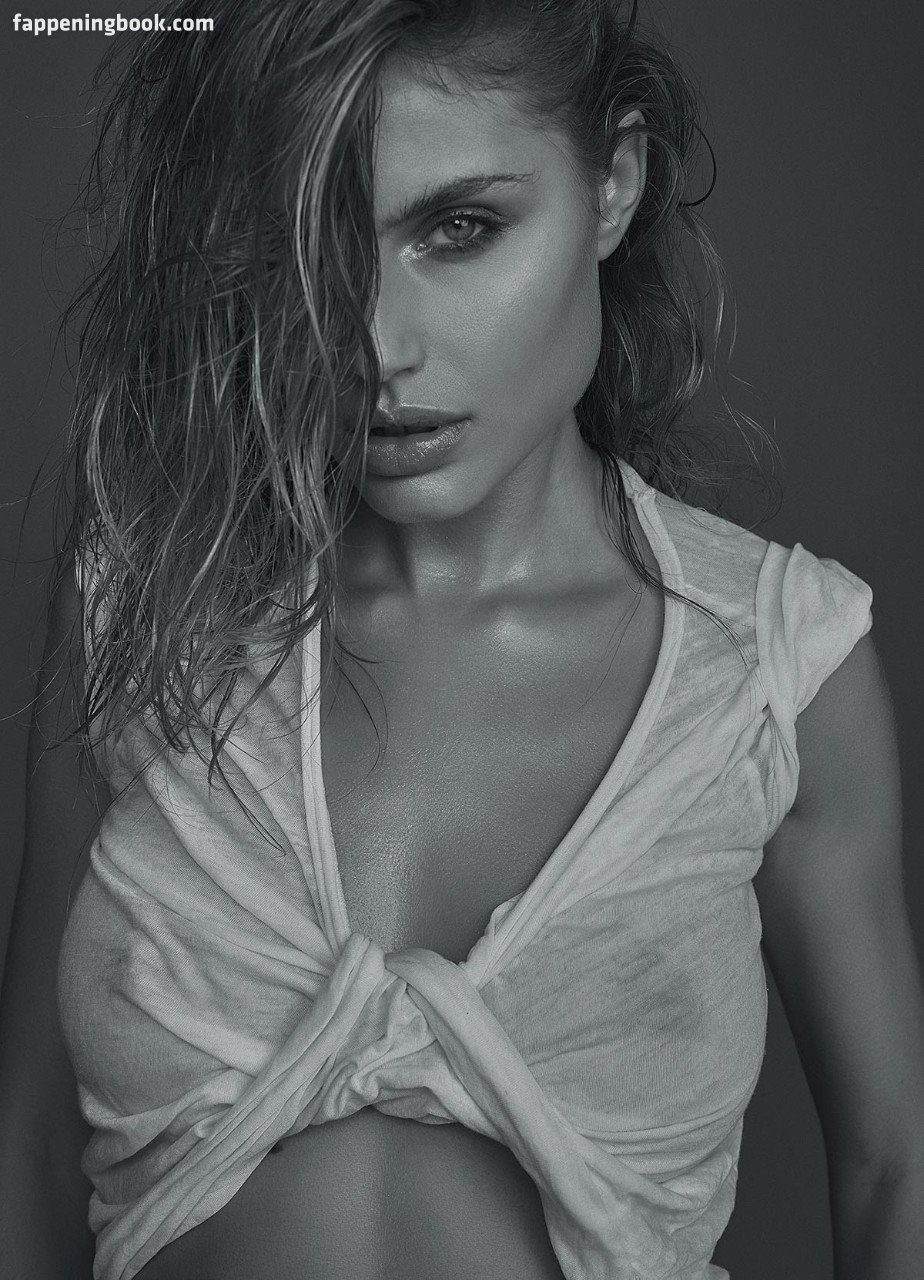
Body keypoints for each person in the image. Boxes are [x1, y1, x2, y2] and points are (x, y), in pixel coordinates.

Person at [1, 1, 922, 1278]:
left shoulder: (775, 671)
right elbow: (31, 1142)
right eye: (314, 245)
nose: (376, 344)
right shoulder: (147, 602)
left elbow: (893, 1162)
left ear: (614, 184)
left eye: (462, 228)